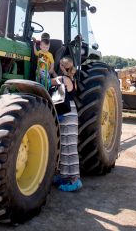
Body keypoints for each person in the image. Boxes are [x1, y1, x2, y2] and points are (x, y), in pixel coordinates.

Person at [51, 56, 82, 192]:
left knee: (69, 147)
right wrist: (53, 72)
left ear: (63, 67)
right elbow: (59, 79)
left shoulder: (63, 79)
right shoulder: (70, 80)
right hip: (70, 112)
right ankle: (63, 175)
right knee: (65, 145)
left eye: (60, 66)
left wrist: (49, 72)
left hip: (67, 113)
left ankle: (75, 180)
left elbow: (48, 82)